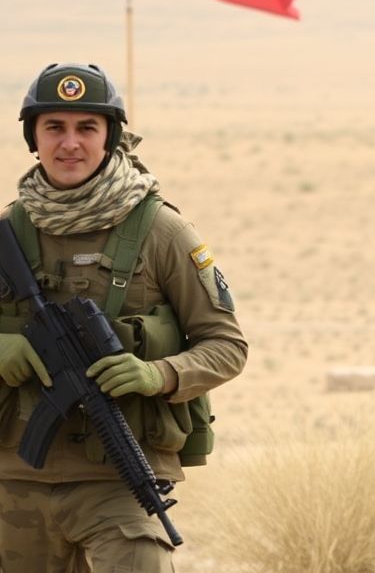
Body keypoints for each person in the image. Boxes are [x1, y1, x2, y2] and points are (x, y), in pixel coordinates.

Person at [0, 63, 247, 571]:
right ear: (34, 137)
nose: (70, 143)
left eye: (87, 127)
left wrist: (158, 374)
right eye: (54, 127)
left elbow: (226, 345)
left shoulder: (162, 231)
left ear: (111, 137)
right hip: (14, 479)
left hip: (119, 481)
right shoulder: (7, 233)